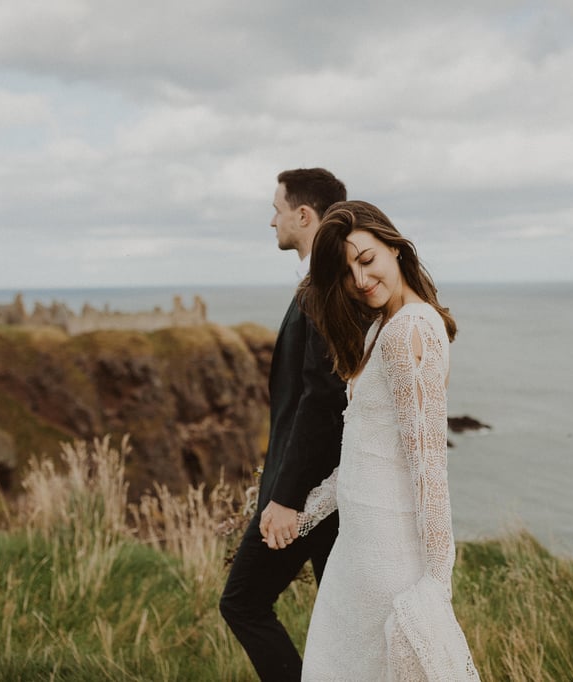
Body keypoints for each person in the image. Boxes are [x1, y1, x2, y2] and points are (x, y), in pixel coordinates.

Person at [289, 200, 480, 680]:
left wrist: (438, 582)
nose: (358, 279)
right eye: (347, 269)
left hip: (389, 559)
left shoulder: (410, 330)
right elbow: (368, 455)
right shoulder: (381, 327)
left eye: (366, 259)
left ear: (394, 246)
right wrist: (302, 514)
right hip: (358, 553)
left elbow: (429, 466)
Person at [220, 168, 348, 681]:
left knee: (243, 602)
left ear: (303, 215)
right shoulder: (321, 284)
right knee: (343, 620)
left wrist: (286, 497)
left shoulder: (322, 289)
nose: (271, 220)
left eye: (276, 209)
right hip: (324, 489)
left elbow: (322, 400)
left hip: (306, 493)